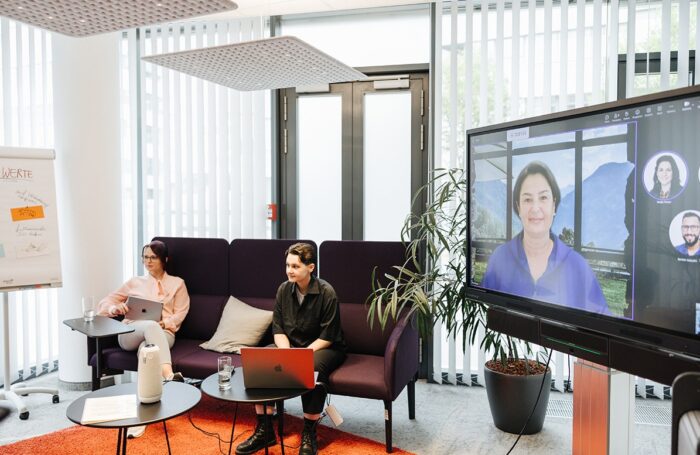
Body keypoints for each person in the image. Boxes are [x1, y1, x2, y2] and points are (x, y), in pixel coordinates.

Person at [235, 243, 346, 455]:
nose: (289, 270)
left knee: (311, 366)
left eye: (295, 266)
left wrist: (301, 356)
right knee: (262, 360)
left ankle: (309, 432)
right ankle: (265, 429)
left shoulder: (326, 292)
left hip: (324, 347)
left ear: (310, 267)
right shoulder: (284, 289)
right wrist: (286, 354)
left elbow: (328, 336)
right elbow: (278, 328)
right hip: (292, 346)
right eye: (287, 265)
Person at [481, 161, 610, 315]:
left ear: (553, 205)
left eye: (543, 198)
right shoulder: (499, 258)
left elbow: (602, 326)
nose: (535, 208)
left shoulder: (578, 266)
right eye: (528, 200)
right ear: (518, 207)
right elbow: (485, 315)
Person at [96, 240, 190, 438]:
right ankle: (169, 374)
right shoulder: (133, 282)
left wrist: (162, 324)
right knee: (149, 326)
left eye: (153, 257)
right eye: (145, 257)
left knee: (147, 352)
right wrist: (115, 309)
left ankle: (140, 419)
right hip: (130, 333)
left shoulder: (177, 283)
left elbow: (180, 314)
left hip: (164, 334)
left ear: (165, 259)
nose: (148, 261)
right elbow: (105, 303)